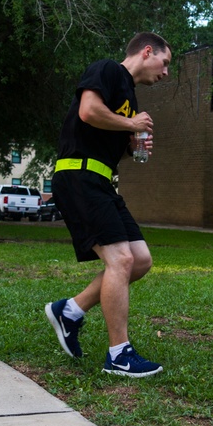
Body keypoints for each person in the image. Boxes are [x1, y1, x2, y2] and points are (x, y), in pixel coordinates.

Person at [44, 32, 171, 378]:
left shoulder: (128, 94)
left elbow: (103, 132)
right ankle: (119, 354)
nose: (166, 72)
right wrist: (131, 123)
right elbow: (88, 111)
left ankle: (70, 311)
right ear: (147, 52)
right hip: (78, 176)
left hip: (101, 181)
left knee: (140, 261)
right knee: (121, 259)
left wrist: (131, 144)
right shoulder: (109, 71)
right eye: (165, 62)